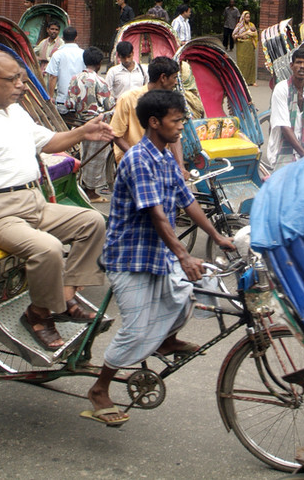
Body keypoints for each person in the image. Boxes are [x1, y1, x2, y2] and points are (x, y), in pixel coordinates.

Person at [84, 90, 236, 426]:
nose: (182, 126)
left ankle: (165, 341)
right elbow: (157, 215)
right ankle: (100, 388)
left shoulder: (166, 157)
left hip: (159, 253)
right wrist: (183, 256)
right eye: (176, 120)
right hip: (131, 257)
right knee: (136, 330)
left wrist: (217, 236)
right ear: (154, 123)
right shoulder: (138, 160)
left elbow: (188, 201)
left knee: (198, 288)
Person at [0, 51, 113, 350]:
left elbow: (49, 142)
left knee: (94, 222)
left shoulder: (17, 113)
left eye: (22, 79)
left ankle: (64, 295)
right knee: (47, 248)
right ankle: (39, 315)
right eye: (13, 79)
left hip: (32, 201)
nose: (21, 85)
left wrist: (83, 132)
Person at [65, 47, 115, 203]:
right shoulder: (100, 81)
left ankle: (81, 187)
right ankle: (91, 193)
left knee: (84, 155)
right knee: (95, 158)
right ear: (99, 64)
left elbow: (69, 103)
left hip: (78, 123)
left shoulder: (75, 78)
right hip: (96, 125)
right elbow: (109, 105)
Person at [111, 57, 181, 165]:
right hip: (133, 162)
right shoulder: (128, 99)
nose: (176, 82)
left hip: (160, 160)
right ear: (163, 78)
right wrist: (137, 157)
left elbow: (175, 137)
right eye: (174, 77)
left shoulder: (170, 102)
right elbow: (116, 135)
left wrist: (180, 166)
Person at [45, 27, 85, 114]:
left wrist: (50, 96)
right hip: (80, 99)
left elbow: (52, 77)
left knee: (63, 125)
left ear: (62, 37)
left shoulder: (57, 54)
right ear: (76, 37)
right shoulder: (83, 54)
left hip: (63, 100)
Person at [232, 10, 258, 86]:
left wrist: (252, 34)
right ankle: (241, 81)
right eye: (246, 17)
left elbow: (255, 34)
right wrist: (243, 35)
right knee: (242, 63)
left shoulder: (252, 25)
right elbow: (234, 35)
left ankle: (251, 81)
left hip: (249, 45)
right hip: (242, 46)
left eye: (249, 17)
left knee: (251, 63)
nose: (248, 18)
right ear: (243, 17)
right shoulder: (239, 26)